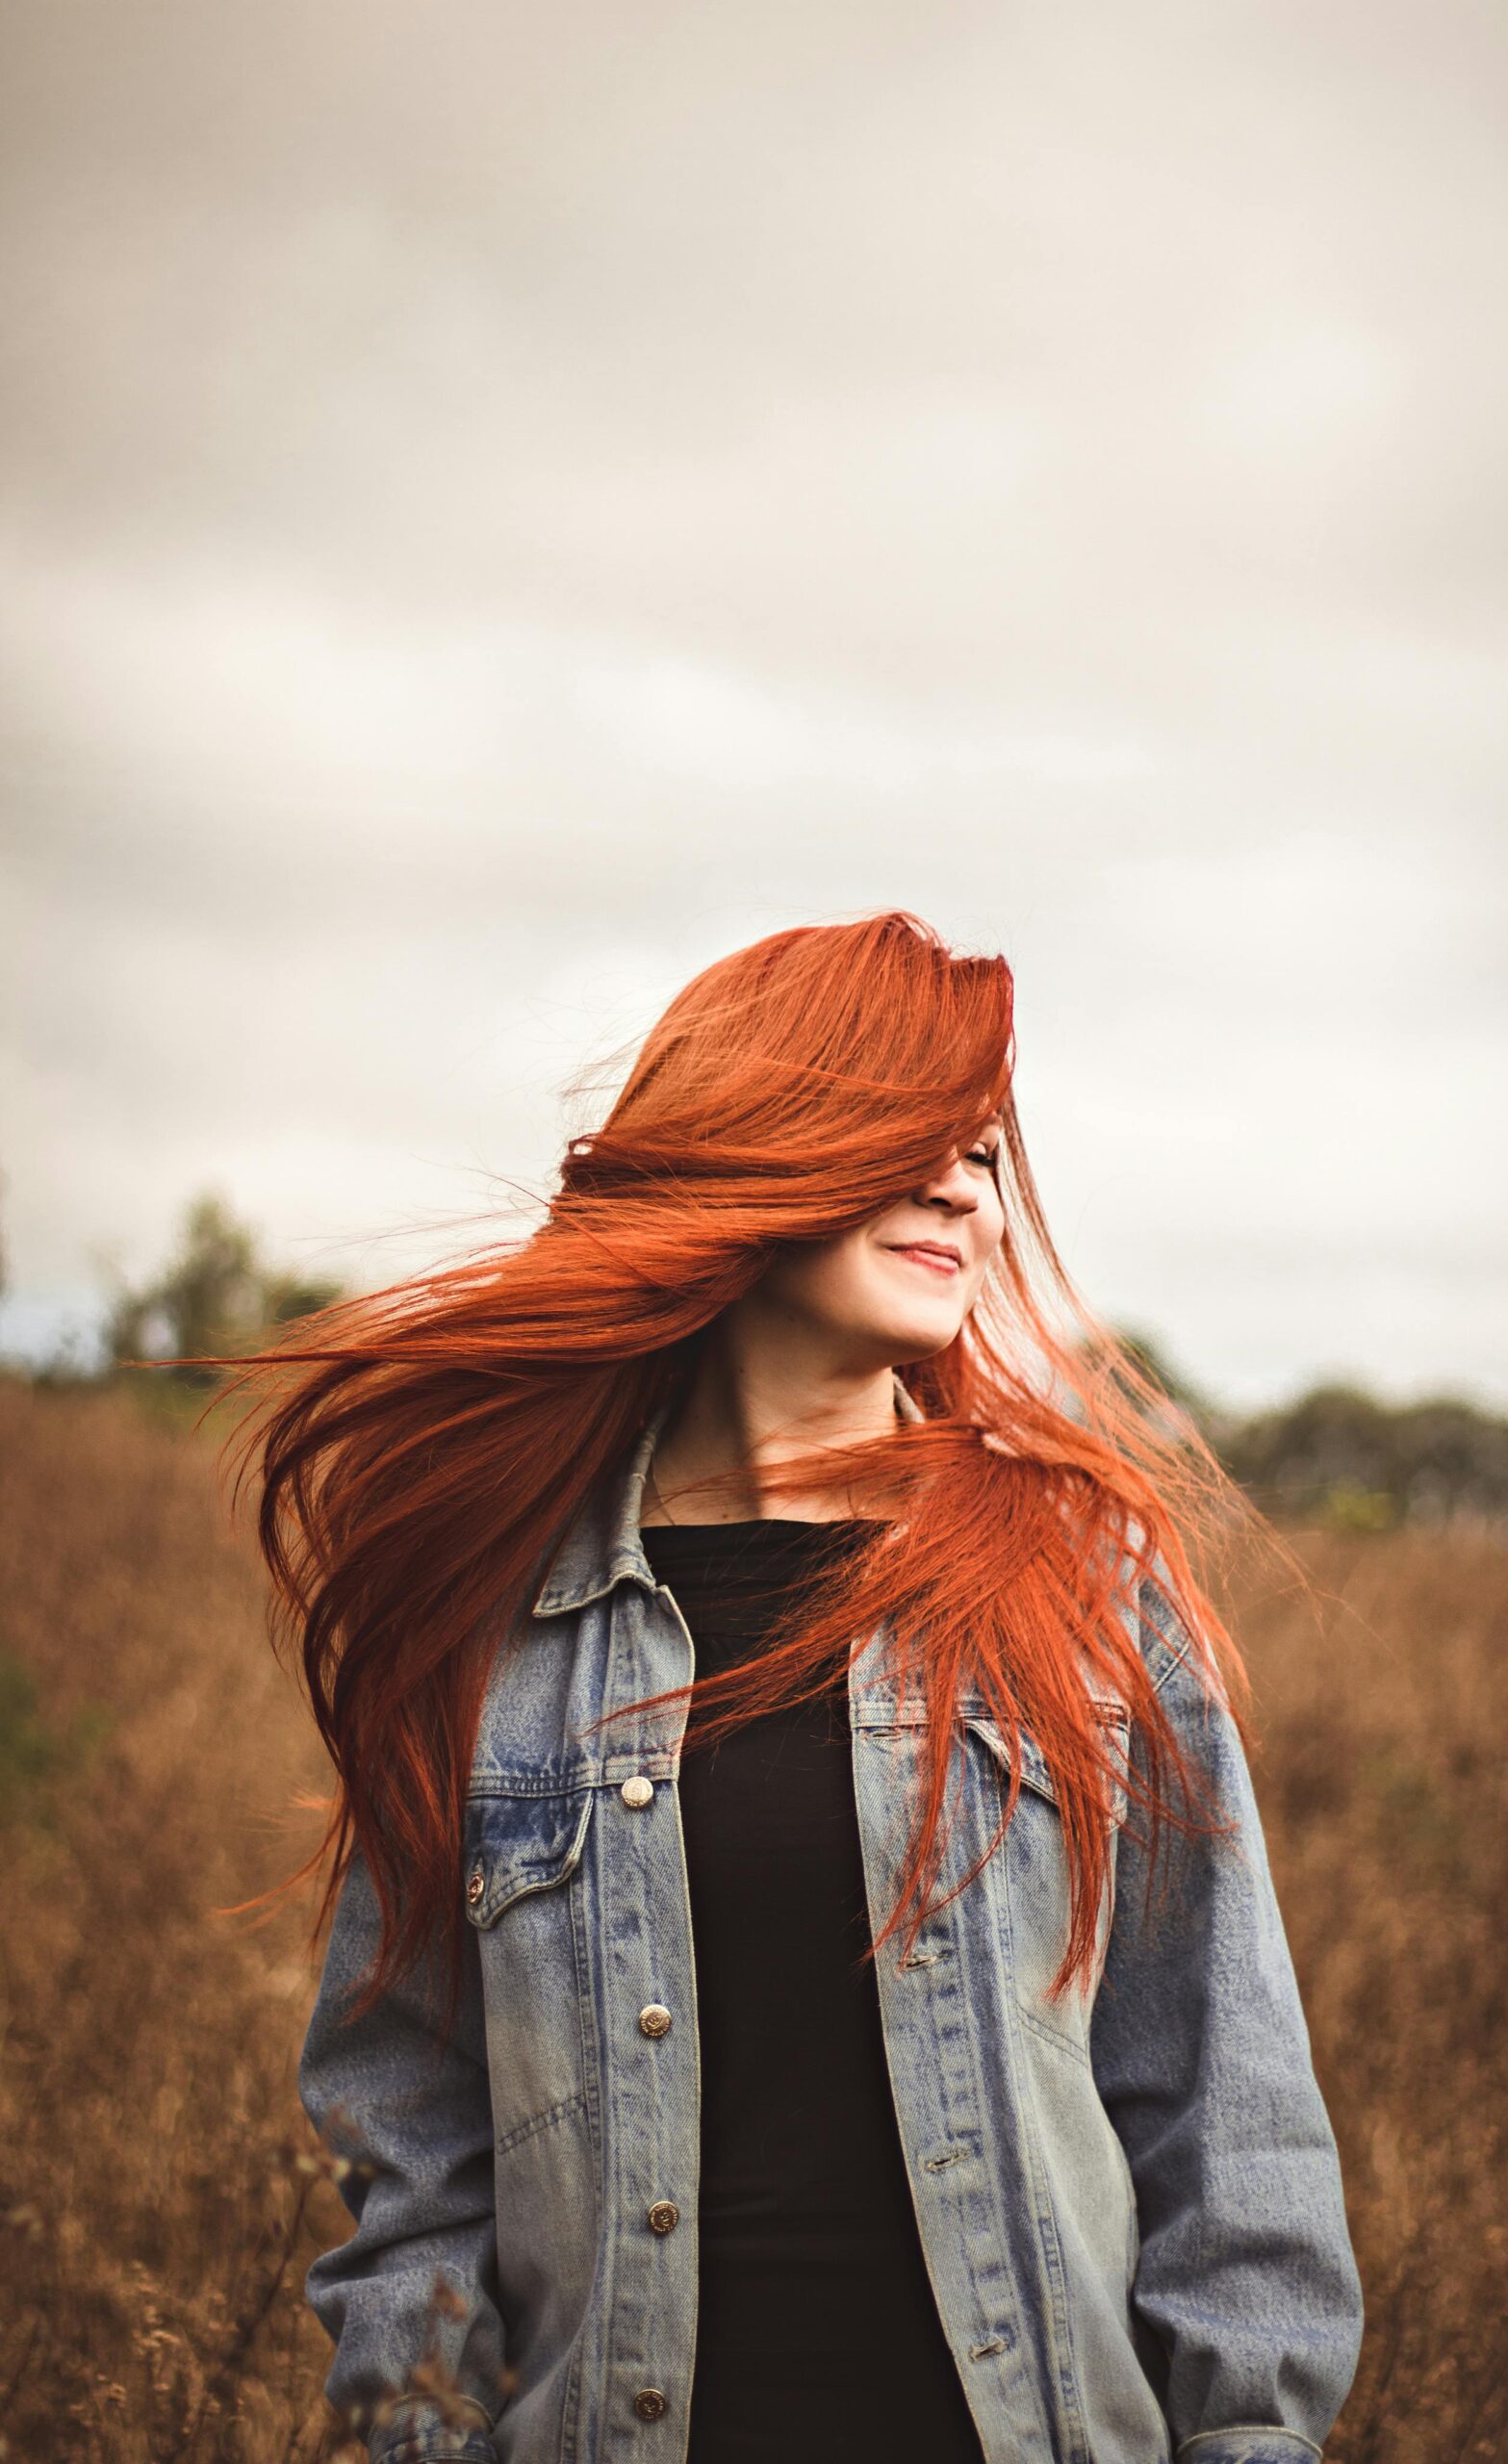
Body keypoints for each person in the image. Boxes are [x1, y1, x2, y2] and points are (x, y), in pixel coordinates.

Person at [242, 911, 1363, 2464]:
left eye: (982, 1153)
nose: (963, 1189)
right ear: (760, 1146)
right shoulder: (496, 1625)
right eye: (910, 1135)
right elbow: (413, 2147)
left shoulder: (1082, 1585)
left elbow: (1226, 2124)